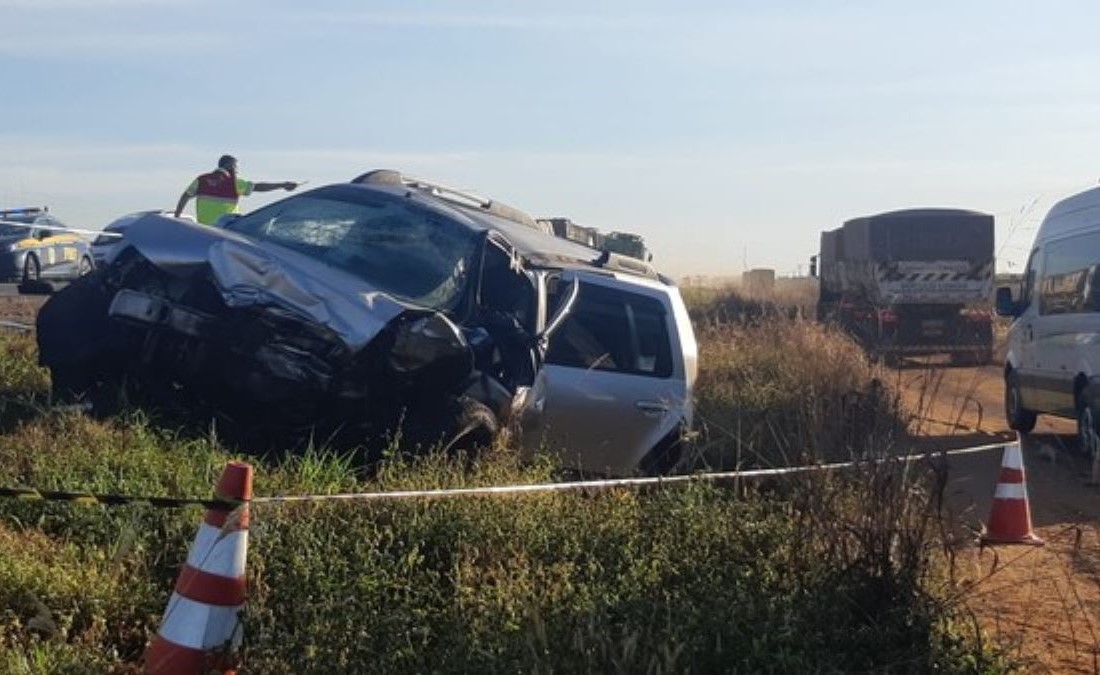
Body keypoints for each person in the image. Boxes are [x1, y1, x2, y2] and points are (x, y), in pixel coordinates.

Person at [174, 155, 298, 225]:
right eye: (236, 167)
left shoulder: (201, 179)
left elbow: (185, 196)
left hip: (204, 229)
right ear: (230, 166)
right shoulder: (234, 182)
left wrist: (177, 216)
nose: (237, 170)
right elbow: (259, 187)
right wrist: (283, 185)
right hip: (226, 229)